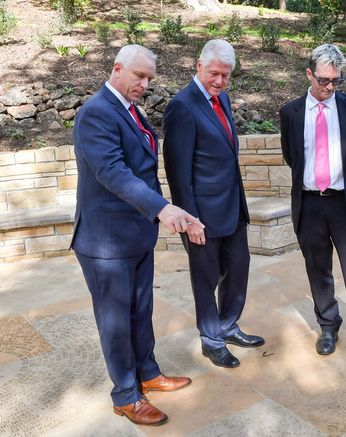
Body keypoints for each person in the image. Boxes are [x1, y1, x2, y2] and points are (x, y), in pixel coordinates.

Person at [71, 44, 203, 426]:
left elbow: (142, 172)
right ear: (117, 69)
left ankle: (148, 373)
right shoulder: (97, 113)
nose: (145, 84)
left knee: (140, 313)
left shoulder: (129, 110)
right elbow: (112, 172)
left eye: (149, 79)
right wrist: (162, 208)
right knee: (115, 321)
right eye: (139, 76)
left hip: (136, 235)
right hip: (106, 242)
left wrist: (165, 210)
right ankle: (126, 395)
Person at [162, 39, 264, 369]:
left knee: (238, 269)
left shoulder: (222, 99)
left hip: (232, 208)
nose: (220, 81)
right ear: (199, 66)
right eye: (214, 74)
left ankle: (227, 325)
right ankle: (211, 338)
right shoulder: (183, 106)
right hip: (202, 215)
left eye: (226, 75)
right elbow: (178, 172)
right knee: (205, 278)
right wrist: (189, 219)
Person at [279, 43, 346, 356]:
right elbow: (290, 156)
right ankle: (327, 327)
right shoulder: (291, 113)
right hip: (310, 204)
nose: (330, 87)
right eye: (323, 80)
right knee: (317, 267)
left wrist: (344, 177)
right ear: (309, 74)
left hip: (345, 202)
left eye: (337, 81)